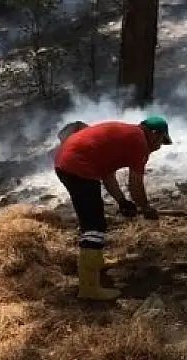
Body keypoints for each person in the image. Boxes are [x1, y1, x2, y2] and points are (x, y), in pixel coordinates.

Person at [54, 116, 172, 300]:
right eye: (161, 142)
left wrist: (122, 202)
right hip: (78, 164)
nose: (158, 147)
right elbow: (136, 185)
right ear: (154, 134)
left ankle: (96, 263)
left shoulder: (127, 136)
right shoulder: (139, 142)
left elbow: (107, 174)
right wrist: (146, 208)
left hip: (66, 160)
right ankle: (89, 288)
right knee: (94, 225)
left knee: (93, 221)